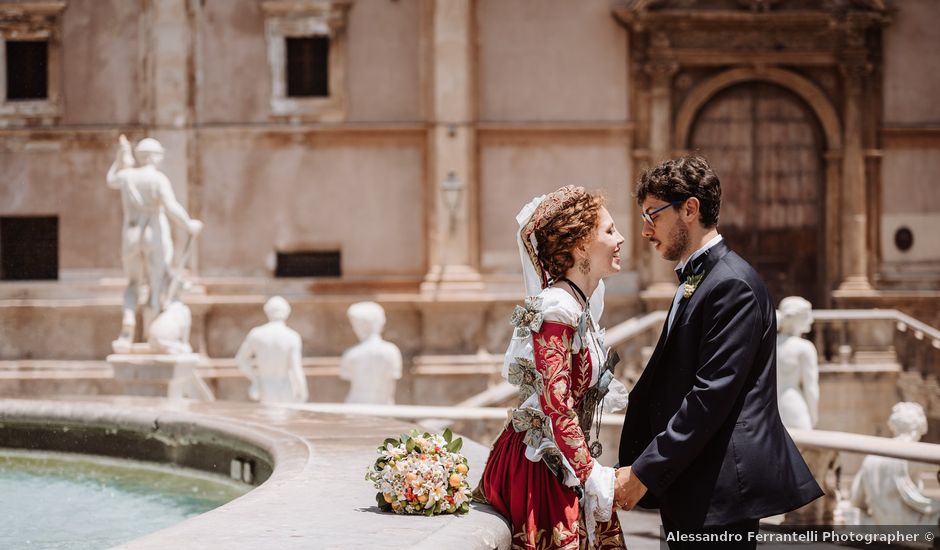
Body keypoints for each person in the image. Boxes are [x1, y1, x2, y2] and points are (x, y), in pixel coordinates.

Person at [615, 156, 823, 549]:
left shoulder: (732, 285)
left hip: (720, 491)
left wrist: (643, 473)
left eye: (652, 215)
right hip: (693, 482)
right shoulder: (702, 277)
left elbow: (711, 395)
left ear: (689, 209)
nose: (644, 230)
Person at [479, 185, 630, 550]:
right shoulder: (556, 308)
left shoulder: (579, 306)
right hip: (541, 467)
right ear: (580, 245)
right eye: (609, 231)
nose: (621, 238)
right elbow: (555, 403)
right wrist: (590, 472)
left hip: (566, 460)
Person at [107, 135, 203, 351]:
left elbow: (111, 179)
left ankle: (128, 328)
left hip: (131, 234)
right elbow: (171, 207)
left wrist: (121, 157)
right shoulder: (158, 179)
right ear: (156, 157)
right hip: (154, 233)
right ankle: (151, 334)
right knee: (155, 286)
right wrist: (189, 224)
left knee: (132, 284)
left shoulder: (127, 176)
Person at [235, 296, 308, 403]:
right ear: (287, 312)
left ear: (267, 312)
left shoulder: (256, 334)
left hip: (264, 386)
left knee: (266, 417)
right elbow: (296, 369)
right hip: (285, 387)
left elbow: (240, 360)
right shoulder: (292, 336)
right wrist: (303, 391)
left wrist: (255, 379)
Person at [339, 301, 403, 405]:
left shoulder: (351, 354)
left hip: (355, 406)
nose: (353, 328)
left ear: (362, 325)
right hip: (383, 406)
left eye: (354, 324)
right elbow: (391, 383)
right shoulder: (391, 351)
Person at [775, 296, 819, 430]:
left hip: (769, 405)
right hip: (793, 407)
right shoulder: (804, 347)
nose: (811, 320)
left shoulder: (768, 345)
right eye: (807, 315)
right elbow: (811, 388)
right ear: (796, 318)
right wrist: (814, 415)